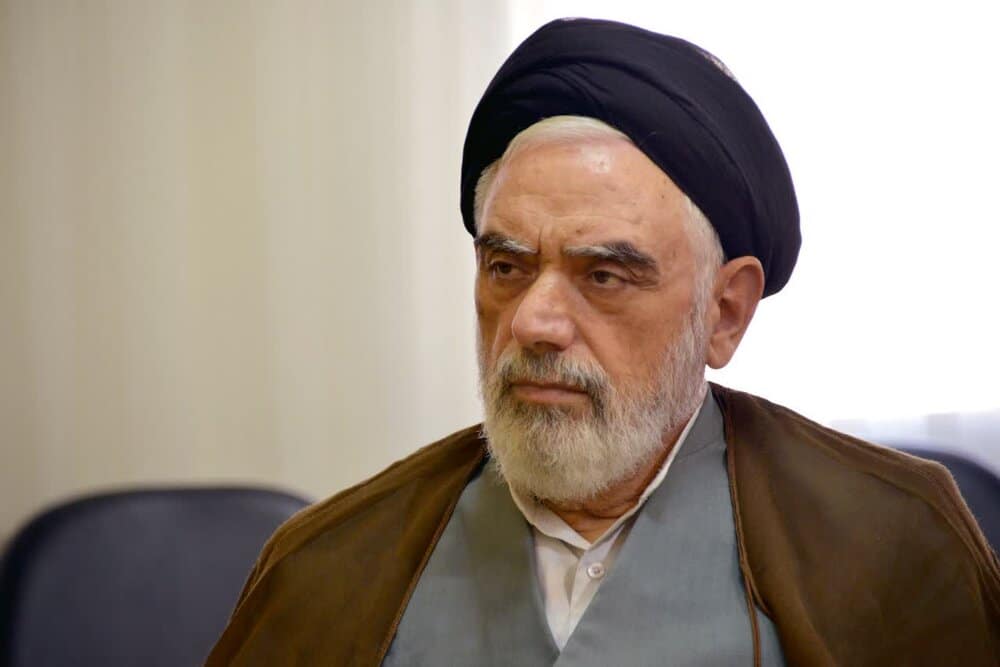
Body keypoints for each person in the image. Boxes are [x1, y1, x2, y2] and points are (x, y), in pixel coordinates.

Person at [207, 18, 1000, 666]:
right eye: (507, 266)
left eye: (604, 276)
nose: (533, 322)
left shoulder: (894, 547)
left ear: (725, 312)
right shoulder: (327, 569)